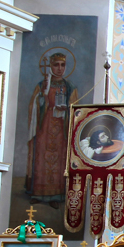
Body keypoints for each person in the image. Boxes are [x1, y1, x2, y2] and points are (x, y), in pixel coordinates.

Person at [26, 52, 78, 206]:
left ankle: (56, 195)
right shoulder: (42, 85)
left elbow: (76, 109)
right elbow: (33, 105)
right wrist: (42, 96)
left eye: (62, 65)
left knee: (59, 159)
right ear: (51, 66)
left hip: (61, 126)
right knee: (41, 156)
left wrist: (67, 109)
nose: (60, 68)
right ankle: (38, 193)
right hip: (44, 125)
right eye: (56, 65)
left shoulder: (70, 87)